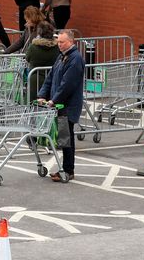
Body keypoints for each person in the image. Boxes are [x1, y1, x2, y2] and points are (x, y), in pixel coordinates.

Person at [38, 30, 85, 182]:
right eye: (58, 42)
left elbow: (67, 85)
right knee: (63, 138)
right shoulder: (61, 56)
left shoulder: (75, 59)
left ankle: (68, 170)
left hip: (67, 106)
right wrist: (42, 95)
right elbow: (51, 77)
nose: (59, 44)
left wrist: (54, 100)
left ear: (71, 42)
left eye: (62, 42)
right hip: (59, 104)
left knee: (66, 138)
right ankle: (65, 168)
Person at [25, 21, 60, 102]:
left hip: (35, 78)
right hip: (52, 78)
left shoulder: (33, 47)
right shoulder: (57, 47)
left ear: (39, 33)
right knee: (49, 105)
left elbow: (27, 58)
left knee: (32, 103)